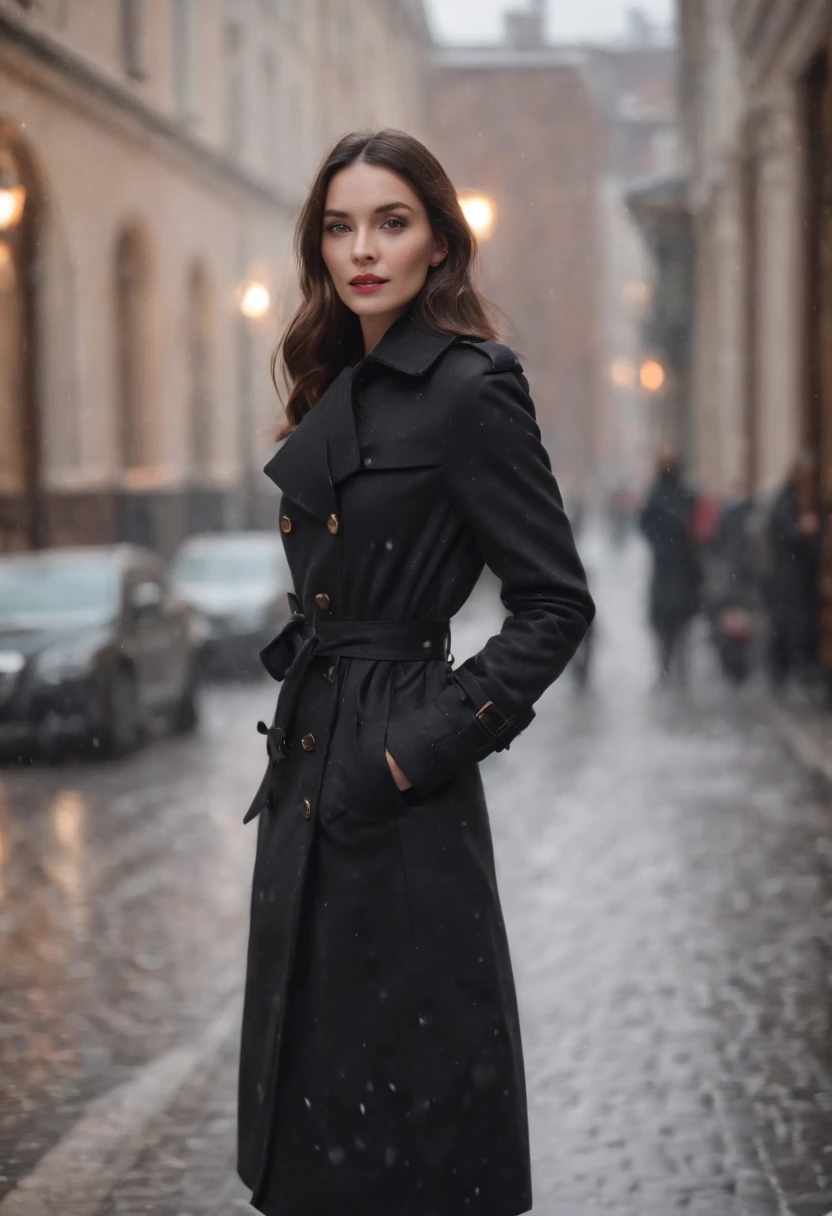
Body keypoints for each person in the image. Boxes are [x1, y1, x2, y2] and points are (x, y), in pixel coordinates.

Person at [236, 129, 595, 1216]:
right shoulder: (330, 379)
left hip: (400, 788)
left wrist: (414, 747)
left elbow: (554, 603)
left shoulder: (470, 387)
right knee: (316, 1111)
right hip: (309, 772)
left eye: (391, 222)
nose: (364, 249)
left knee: (410, 1124)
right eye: (340, 226)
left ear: (439, 240)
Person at [639, 450, 701, 683]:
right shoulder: (681, 493)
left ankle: (667, 666)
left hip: (670, 568)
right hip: (678, 567)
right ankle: (673, 667)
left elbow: (645, 524)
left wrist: (661, 543)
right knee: (678, 622)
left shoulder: (659, 494)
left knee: (669, 623)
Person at [763, 453, 823, 688]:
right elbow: (783, 531)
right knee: (786, 627)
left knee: (803, 626)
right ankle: (783, 675)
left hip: (805, 577)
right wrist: (801, 530)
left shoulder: (811, 501)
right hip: (787, 576)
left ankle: (800, 672)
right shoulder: (786, 500)